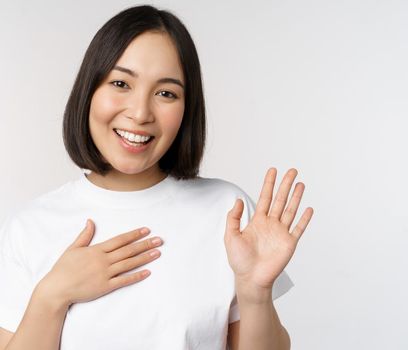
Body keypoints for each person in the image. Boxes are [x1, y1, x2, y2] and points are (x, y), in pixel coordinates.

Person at [0, 5, 313, 350]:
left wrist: (255, 294)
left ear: (187, 109)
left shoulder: (228, 214)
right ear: (88, 91)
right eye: (120, 83)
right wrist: (52, 295)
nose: (140, 113)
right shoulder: (30, 227)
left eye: (166, 93)